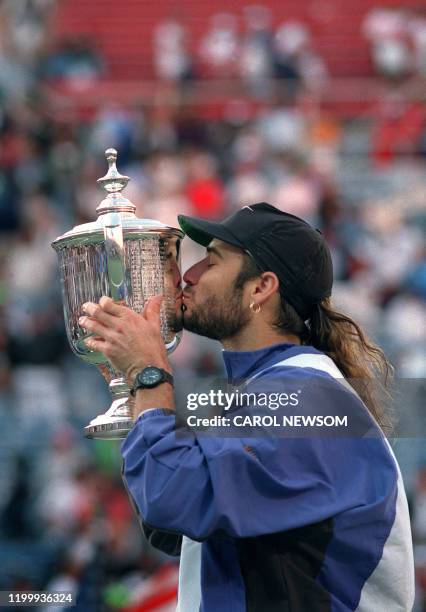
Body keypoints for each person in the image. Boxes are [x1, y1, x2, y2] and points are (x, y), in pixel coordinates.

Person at [78, 202, 414, 611]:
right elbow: (168, 525)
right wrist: (134, 387)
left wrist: (149, 374)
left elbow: (173, 495)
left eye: (212, 261)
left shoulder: (307, 400)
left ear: (261, 288)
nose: (189, 274)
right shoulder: (276, 392)